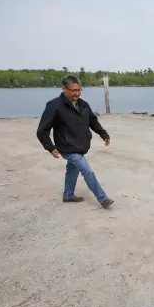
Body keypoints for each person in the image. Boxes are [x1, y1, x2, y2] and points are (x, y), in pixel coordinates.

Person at [36, 76, 114, 208]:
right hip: (67, 147)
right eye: (73, 90)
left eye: (79, 90)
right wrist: (50, 147)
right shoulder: (54, 106)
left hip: (81, 146)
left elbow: (93, 121)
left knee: (72, 170)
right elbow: (42, 130)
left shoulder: (83, 104)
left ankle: (68, 195)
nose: (77, 93)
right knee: (87, 171)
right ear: (63, 88)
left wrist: (103, 134)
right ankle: (103, 198)